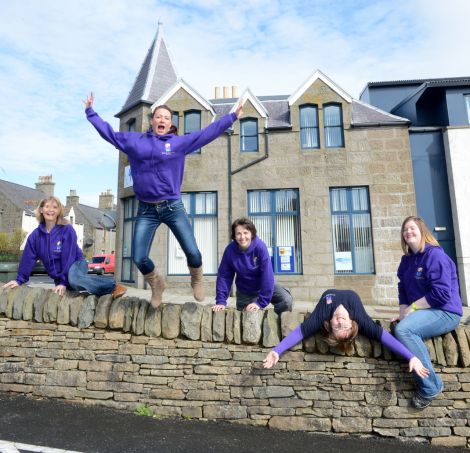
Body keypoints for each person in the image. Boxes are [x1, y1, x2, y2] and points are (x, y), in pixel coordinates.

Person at [84, 93, 243, 308]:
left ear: (170, 124)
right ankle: (157, 284)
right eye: (158, 117)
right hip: (146, 209)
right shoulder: (135, 142)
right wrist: (91, 113)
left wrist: (231, 117)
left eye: (166, 118)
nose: (162, 120)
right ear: (152, 121)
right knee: (139, 257)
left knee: (193, 252)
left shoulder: (179, 143)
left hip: (172, 206)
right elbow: (110, 133)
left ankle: (196, 277)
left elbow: (207, 133)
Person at [263, 289, 429, 384]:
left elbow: (299, 332)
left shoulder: (322, 315)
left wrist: (277, 351)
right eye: (344, 326)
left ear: (329, 326)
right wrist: (411, 357)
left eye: (336, 327)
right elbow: (385, 337)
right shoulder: (361, 319)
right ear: (352, 324)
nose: (340, 322)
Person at [393, 215, 462, 409]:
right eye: (405, 229)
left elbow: (441, 294)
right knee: (399, 325)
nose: (408, 232)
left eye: (412, 228)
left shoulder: (435, 255)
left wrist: (412, 309)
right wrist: (402, 312)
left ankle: (431, 386)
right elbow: (403, 290)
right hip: (426, 311)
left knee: (405, 331)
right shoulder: (406, 261)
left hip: (445, 311)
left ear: (423, 231)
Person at [2, 196, 127, 299]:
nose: (50, 210)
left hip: (75, 263)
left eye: (55, 207)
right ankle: (104, 294)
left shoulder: (67, 230)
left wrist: (63, 281)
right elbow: (27, 259)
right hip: (59, 275)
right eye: (47, 206)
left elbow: (68, 257)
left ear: (59, 211)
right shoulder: (35, 236)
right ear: (41, 210)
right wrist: (19, 280)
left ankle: (114, 286)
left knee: (74, 280)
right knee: (73, 289)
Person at [212, 217, 293, 315]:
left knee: (286, 300)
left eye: (245, 233)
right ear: (234, 235)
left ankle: (276, 324)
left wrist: (260, 303)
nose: (242, 237)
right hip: (245, 291)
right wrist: (221, 301)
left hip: (265, 285)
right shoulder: (230, 251)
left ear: (251, 233)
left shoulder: (260, 247)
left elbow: (267, 275)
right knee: (246, 317)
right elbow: (224, 276)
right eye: (239, 233)